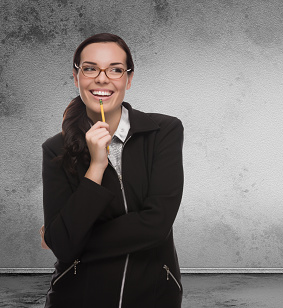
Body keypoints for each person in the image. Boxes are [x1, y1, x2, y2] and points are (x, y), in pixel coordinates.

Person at [40, 33, 184, 307]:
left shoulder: (164, 131)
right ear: (76, 77)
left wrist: (69, 240)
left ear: (128, 79)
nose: (102, 78)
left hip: (153, 295)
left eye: (115, 69)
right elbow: (63, 244)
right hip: (77, 297)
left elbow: (157, 224)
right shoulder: (55, 149)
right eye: (90, 68)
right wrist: (96, 165)